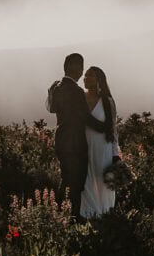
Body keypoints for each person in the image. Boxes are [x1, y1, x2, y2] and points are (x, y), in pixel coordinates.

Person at [46, 53, 110, 218]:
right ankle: (72, 217)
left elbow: (52, 109)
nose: (82, 72)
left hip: (61, 140)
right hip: (75, 143)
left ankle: (61, 213)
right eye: (81, 67)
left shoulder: (56, 87)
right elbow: (85, 117)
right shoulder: (77, 91)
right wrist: (104, 127)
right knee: (76, 183)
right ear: (75, 68)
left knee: (65, 178)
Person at [80, 66, 121, 219]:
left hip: (102, 146)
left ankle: (105, 213)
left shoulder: (107, 102)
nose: (86, 78)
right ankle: (89, 214)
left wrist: (115, 153)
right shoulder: (80, 98)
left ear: (99, 80)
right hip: (83, 145)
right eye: (85, 75)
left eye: (90, 76)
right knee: (86, 180)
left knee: (103, 180)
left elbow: (113, 129)